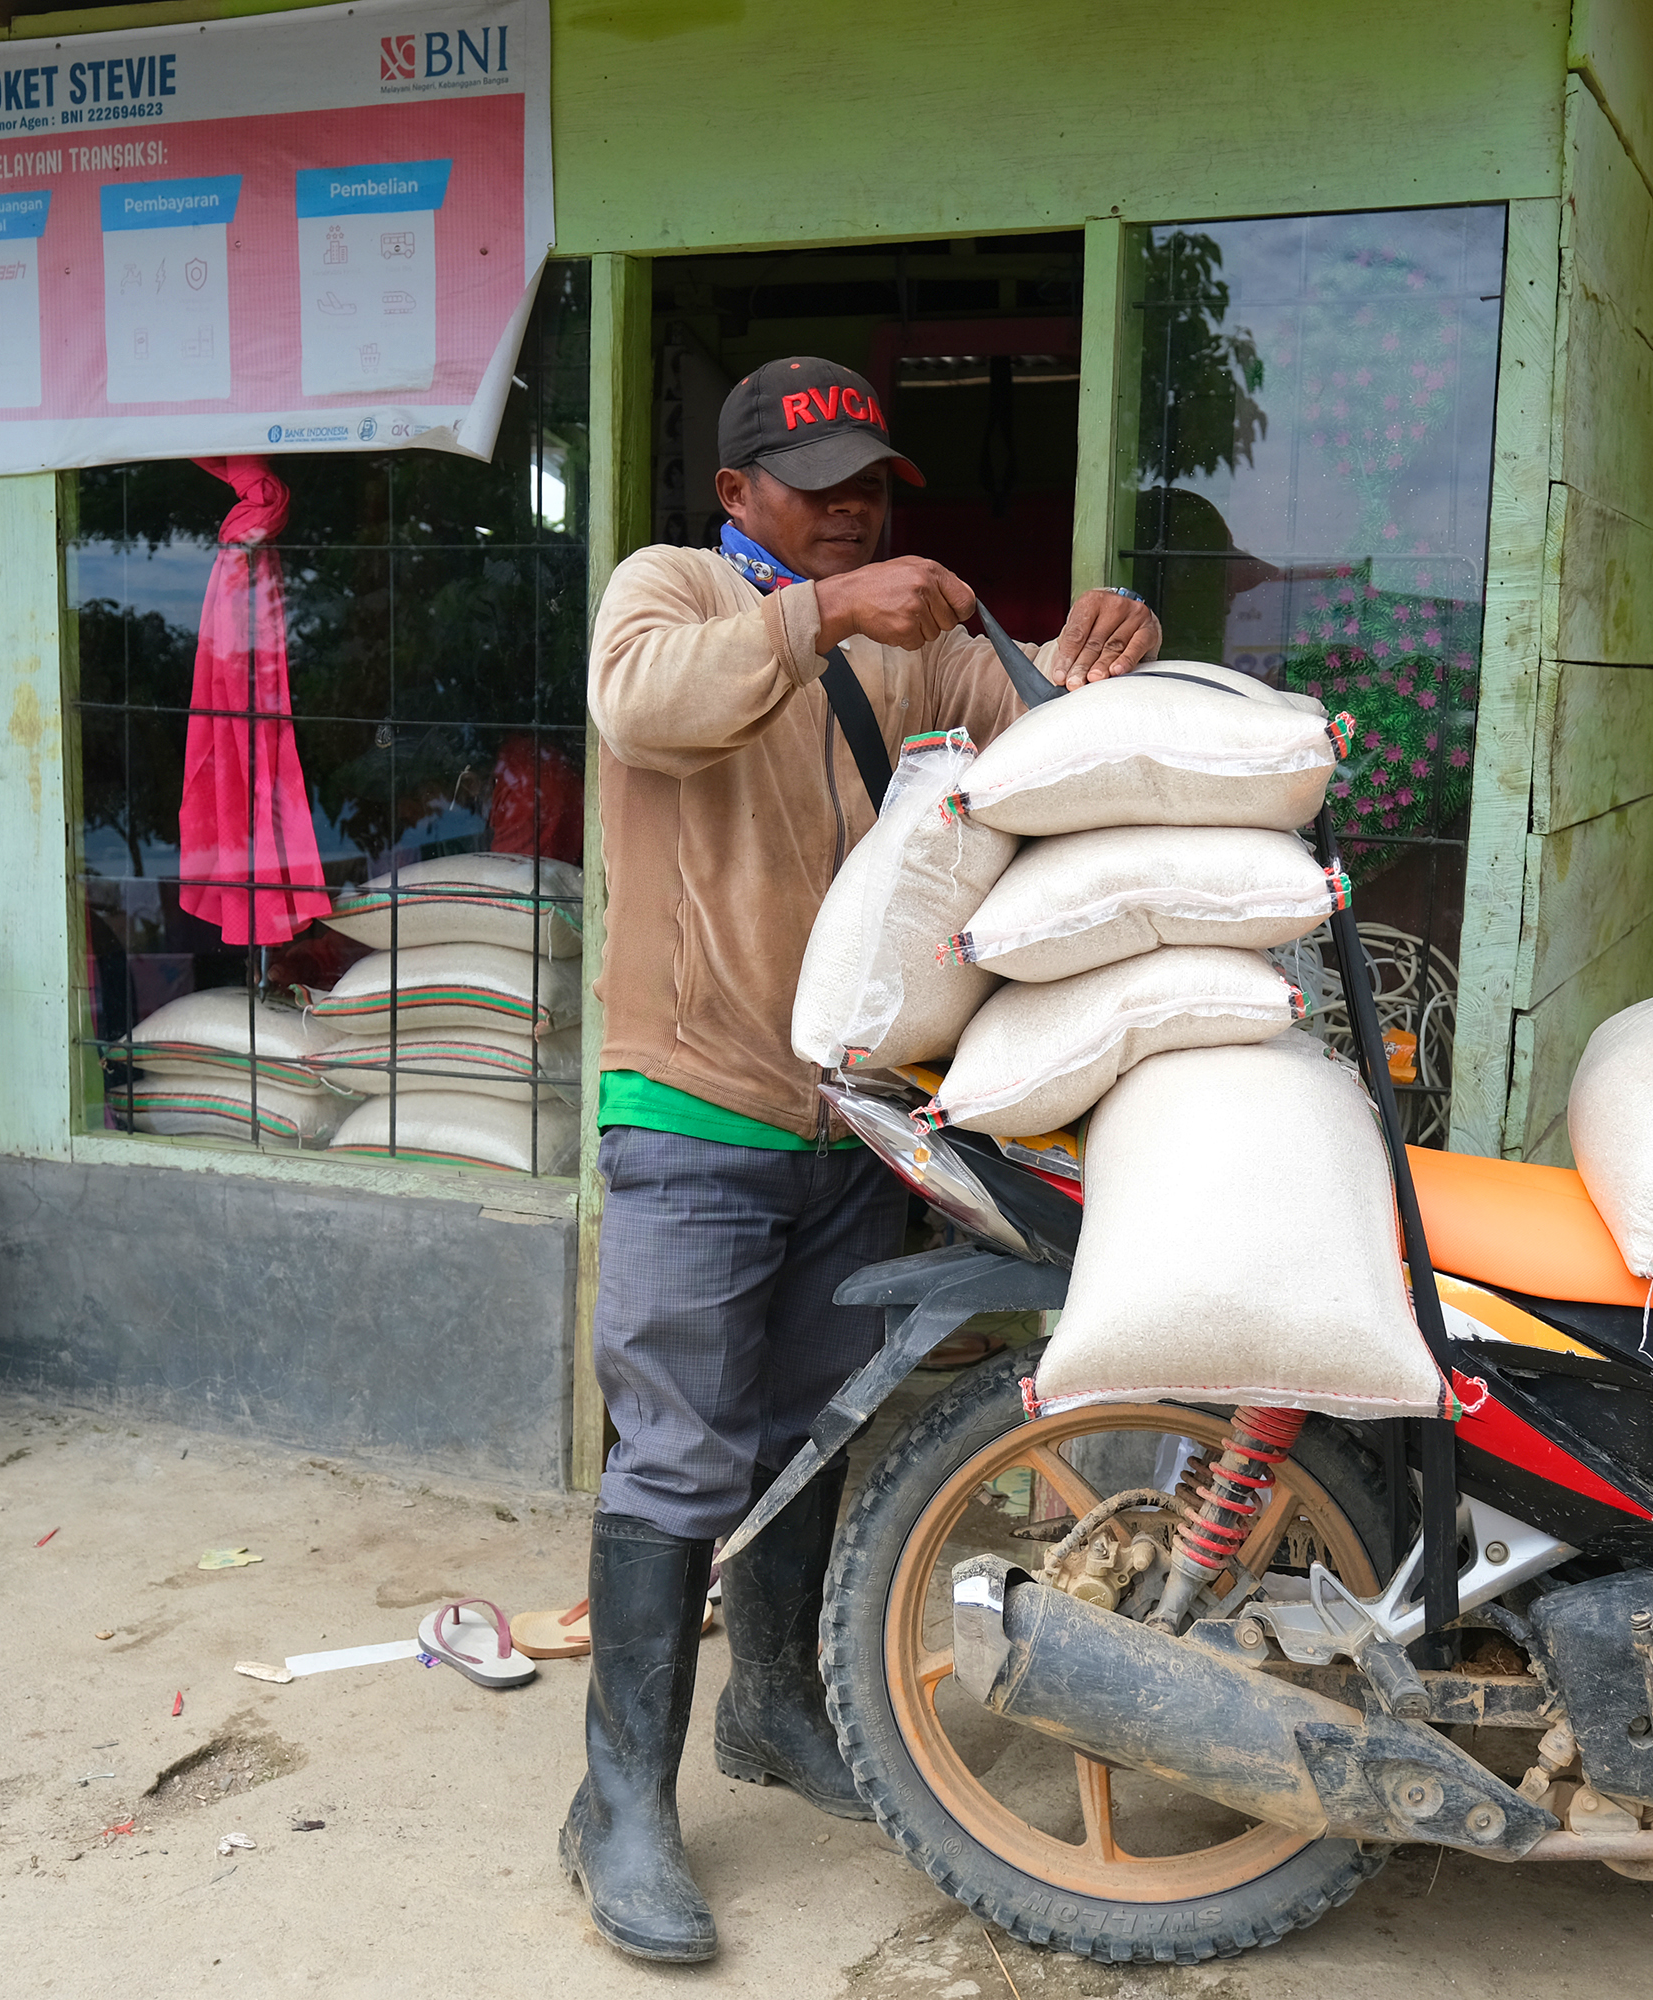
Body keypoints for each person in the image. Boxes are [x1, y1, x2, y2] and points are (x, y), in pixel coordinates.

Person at [562, 357, 1159, 1962]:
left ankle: (772, 1710)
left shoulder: (916, 646)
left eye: (874, 487)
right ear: (737, 494)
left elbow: (1039, 737)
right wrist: (821, 615)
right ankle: (620, 1805)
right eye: (820, 487)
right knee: (678, 1452)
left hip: (854, 1114)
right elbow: (640, 704)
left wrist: (1096, 656)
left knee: (803, 1436)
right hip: (691, 1103)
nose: (854, 511)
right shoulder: (672, 592)